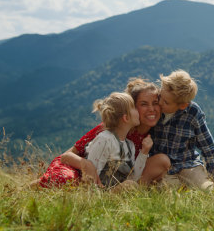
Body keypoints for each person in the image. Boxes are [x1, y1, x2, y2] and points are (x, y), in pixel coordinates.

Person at [32, 77, 169, 187]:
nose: (152, 109)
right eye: (143, 104)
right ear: (128, 111)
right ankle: (36, 186)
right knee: (67, 181)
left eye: (155, 103)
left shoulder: (156, 132)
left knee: (161, 161)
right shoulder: (110, 128)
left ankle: (128, 192)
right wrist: (87, 166)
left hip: (109, 180)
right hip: (77, 168)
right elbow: (67, 156)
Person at [150, 69, 214, 191]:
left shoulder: (193, 113)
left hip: (188, 164)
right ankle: (184, 190)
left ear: (182, 106)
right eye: (160, 96)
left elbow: (208, 147)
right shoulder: (154, 108)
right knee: (168, 189)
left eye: (166, 102)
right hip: (163, 168)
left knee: (205, 188)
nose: (159, 103)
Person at [85, 92, 150, 190]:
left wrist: (144, 152)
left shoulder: (129, 145)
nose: (138, 111)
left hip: (118, 193)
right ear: (126, 118)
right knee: (130, 185)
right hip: (103, 195)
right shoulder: (105, 139)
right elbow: (91, 173)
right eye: (134, 108)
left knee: (131, 184)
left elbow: (134, 177)